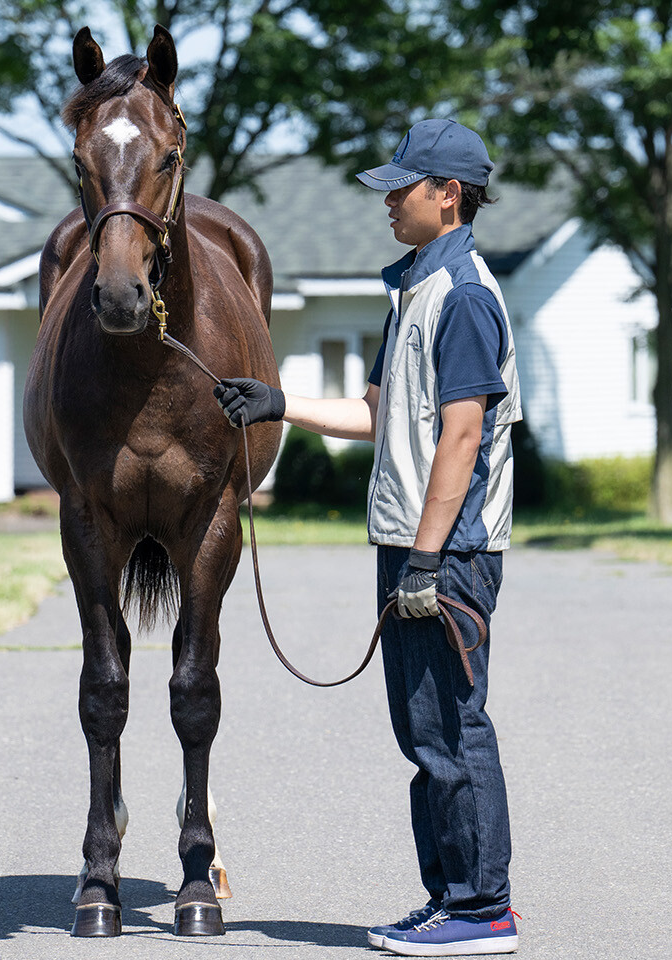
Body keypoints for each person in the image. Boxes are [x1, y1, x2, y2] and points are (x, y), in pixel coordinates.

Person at [214, 118, 522, 956]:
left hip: (447, 552)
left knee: (453, 730)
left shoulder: (462, 297)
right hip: (416, 545)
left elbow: (462, 435)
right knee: (423, 736)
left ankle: (482, 910)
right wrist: (280, 404)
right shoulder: (418, 292)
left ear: (447, 194)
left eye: (403, 187)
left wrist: (427, 556)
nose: (388, 200)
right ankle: (450, 899)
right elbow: (380, 415)